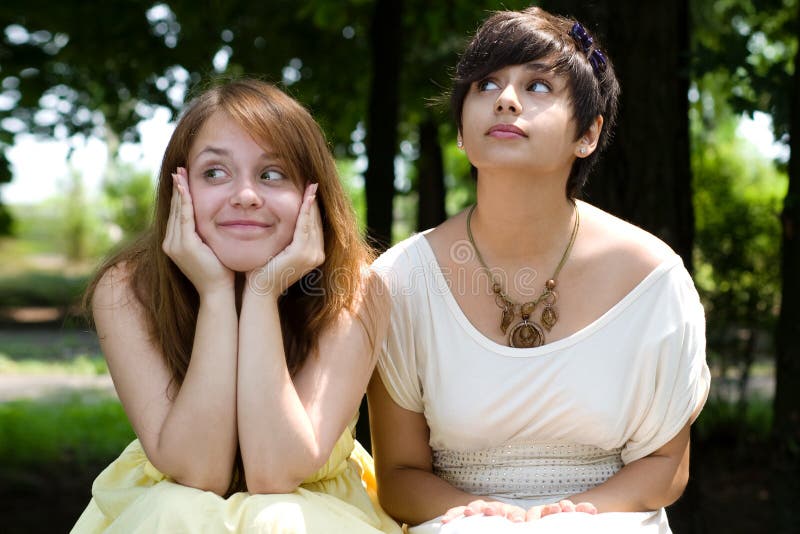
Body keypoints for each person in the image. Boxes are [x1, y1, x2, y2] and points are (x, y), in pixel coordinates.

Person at [367, 6, 710, 533]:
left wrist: (571, 516)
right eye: (485, 85)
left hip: (609, 518)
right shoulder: (401, 279)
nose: (505, 99)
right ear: (461, 129)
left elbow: (666, 466)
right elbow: (399, 475)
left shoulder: (651, 277)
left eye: (539, 87)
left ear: (588, 134)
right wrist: (479, 516)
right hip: (457, 521)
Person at [72, 78, 401, 534]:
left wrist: (263, 293)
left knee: (283, 520)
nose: (245, 195)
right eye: (215, 173)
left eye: (272, 174)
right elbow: (198, 471)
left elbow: (276, 472)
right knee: (176, 510)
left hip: (312, 511)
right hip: (165, 509)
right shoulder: (127, 288)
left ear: (313, 193)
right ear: (179, 186)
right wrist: (215, 294)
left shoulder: (355, 288)